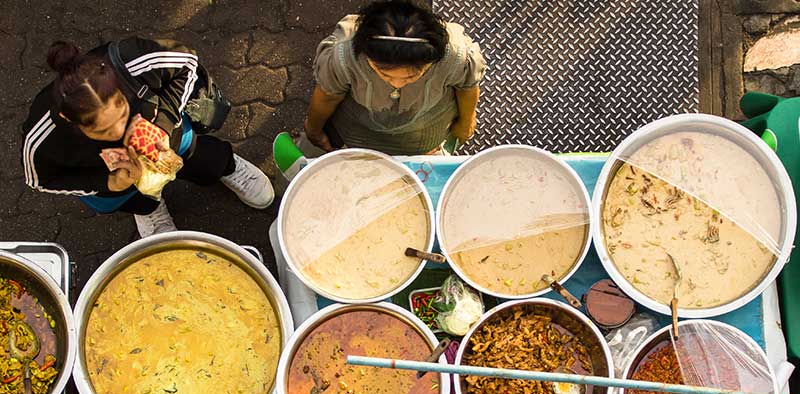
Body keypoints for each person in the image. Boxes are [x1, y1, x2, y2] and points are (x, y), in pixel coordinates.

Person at [22, 38, 274, 237]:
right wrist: (109, 182)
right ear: (69, 120)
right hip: (110, 178)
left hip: (169, 137)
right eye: (104, 131)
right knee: (135, 198)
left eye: (122, 111)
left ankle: (227, 166)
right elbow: (41, 180)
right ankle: (150, 210)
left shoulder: (133, 60)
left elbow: (187, 63)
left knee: (201, 157)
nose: (122, 134)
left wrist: (163, 124)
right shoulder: (42, 138)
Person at [303, 0, 485, 156]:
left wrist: (466, 121)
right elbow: (328, 96)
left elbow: (466, 89)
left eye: (412, 76)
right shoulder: (343, 56)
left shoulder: (457, 56)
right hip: (359, 128)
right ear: (365, 55)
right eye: (384, 74)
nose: (397, 83)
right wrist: (314, 129)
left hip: (425, 131)